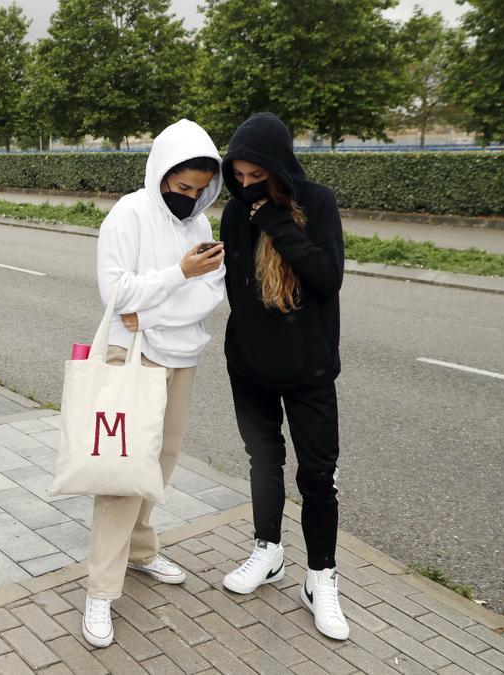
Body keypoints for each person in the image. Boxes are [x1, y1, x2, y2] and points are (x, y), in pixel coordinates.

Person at [82, 119, 226, 648]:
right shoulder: (129, 214)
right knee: (123, 472)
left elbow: (212, 295)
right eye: (180, 187)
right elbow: (117, 295)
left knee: (162, 460)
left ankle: (140, 551)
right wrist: (177, 278)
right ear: (160, 174)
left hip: (182, 355)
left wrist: (157, 306)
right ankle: (100, 590)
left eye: (199, 190)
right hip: (132, 356)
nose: (189, 198)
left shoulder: (201, 227)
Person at [218, 112, 349, 641]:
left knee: (318, 475)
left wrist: (275, 220)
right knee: (263, 460)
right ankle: (267, 552)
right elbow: (233, 288)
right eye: (240, 177)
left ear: (280, 168)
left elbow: (328, 277)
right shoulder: (233, 213)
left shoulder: (316, 204)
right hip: (250, 368)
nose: (248, 187)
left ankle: (321, 579)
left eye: (258, 176)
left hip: (309, 370)